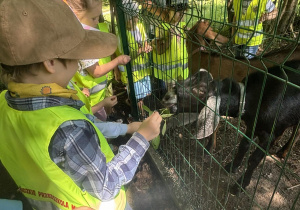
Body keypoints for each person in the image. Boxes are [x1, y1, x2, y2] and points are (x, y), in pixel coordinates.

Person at [0, 1, 162, 210]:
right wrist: (142, 137)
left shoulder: (4, 103)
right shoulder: (70, 129)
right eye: (76, 56)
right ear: (50, 62)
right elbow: (106, 186)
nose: (79, 64)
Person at [65, 0, 132, 121]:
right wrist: (118, 60)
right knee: (97, 121)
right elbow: (96, 72)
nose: (97, 22)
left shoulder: (72, 37)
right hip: (91, 98)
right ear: (75, 15)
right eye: (94, 18)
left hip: (90, 92)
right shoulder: (83, 45)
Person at [144, 0, 190, 91]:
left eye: (184, 12)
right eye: (178, 12)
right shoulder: (162, 27)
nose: (182, 15)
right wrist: (169, 40)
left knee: (183, 92)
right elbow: (159, 51)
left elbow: (184, 46)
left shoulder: (182, 25)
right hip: (170, 75)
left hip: (182, 70)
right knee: (172, 95)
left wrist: (188, 36)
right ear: (169, 11)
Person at [117, 1, 153, 112]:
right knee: (138, 98)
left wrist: (147, 47)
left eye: (136, 17)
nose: (135, 20)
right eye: (131, 18)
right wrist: (140, 50)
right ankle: (140, 115)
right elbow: (125, 56)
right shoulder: (121, 35)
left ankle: (143, 113)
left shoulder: (140, 27)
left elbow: (146, 41)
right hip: (132, 74)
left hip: (144, 71)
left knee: (147, 94)